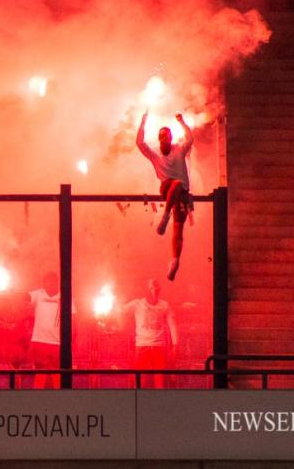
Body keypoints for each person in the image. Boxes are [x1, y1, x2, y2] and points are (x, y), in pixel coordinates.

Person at [136, 111, 194, 280]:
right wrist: (143, 120)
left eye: (167, 136)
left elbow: (190, 139)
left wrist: (182, 122)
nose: (165, 139)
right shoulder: (155, 154)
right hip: (167, 188)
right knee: (175, 183)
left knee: (179, 228)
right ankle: (165, 216)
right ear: (159, 139)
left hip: (182, 194)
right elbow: (139, 143)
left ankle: (175, 261)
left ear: (170, 138)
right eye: (162, 136)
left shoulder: (179, 149)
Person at [120, 278, 178, 389]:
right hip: (142, 346)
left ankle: (159, 403)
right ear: (146, 289)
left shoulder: (165, 305)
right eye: (152, 287)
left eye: (157, 287)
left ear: (160, 289)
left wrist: (175, 345)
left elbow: (172, 325)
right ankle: (139, 401)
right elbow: (121, 310)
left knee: (160, 380)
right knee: (140, 379)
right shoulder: (137, 304)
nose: (155, 289)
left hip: (159, 347)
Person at [27, 271, 65, 389]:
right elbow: (26, 297)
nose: (50, 284)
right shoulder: (38, 294)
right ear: (44, 284)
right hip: (40, 341)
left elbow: (72, 316)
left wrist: (71, 339)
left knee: (57, 373)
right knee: (40, 372)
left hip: (57, 342)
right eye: (48, 282)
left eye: (53, 282)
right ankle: (37, 399)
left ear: (57, 283)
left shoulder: (64, 296)